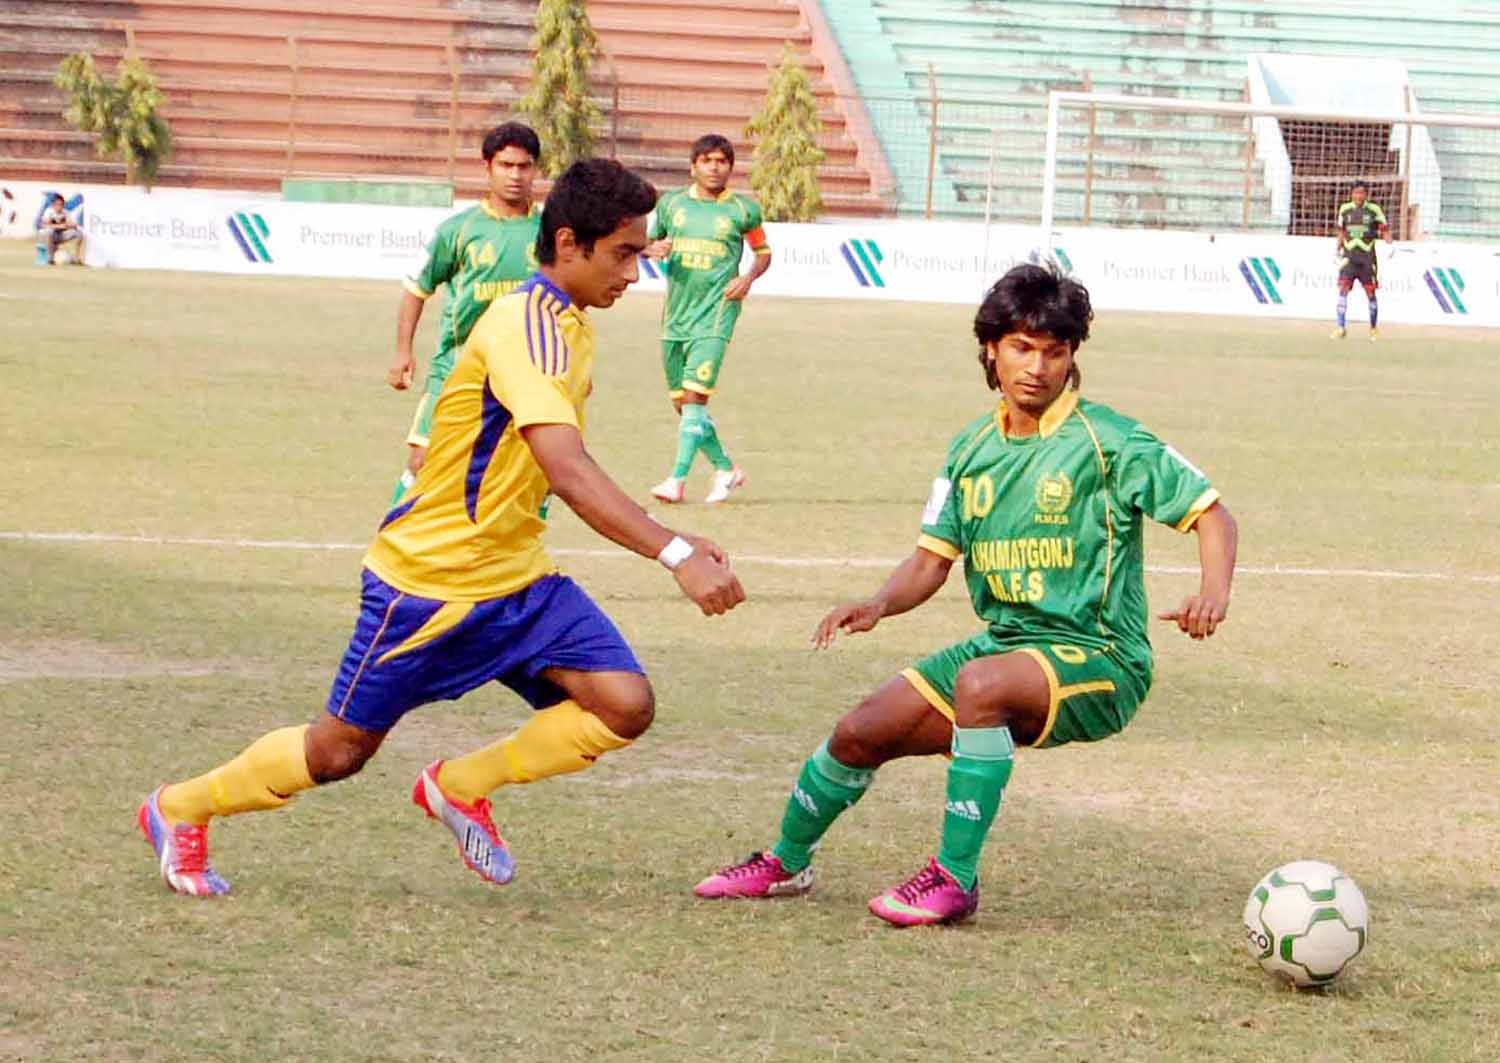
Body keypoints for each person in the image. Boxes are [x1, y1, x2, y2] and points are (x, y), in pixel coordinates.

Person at [140, 159, 746, 898]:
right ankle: (179, 806)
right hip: (429, 583)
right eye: (623, 253)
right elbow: (566, 467)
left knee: (623, 702)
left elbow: (554, 460)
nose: (636, 272)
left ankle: (458, 786)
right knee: (337, 752)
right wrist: (674, 548)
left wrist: (664, 534)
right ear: (569, 242)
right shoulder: (527, 328)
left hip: (516, 576)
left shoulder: (570, 322)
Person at [694, 263, 1238, 927]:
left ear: (1071, 356)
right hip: (1006, 647)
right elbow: (931, 560)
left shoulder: (1111, 441)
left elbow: (1213, 514)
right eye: (1021, 346)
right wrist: (878, 602)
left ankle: (954, 880)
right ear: (990, 347)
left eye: (1054, 351)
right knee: (860, 730)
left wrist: (1213, 593)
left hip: (1099, 658)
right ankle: (785, 862)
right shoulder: (970, 450)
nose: (1037, 366)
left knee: (980, 685)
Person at [388, 122, 543, 503]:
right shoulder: (458, 231)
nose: (515, 175)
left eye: (524, 166)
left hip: (527, 371)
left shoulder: (551, 232)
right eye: (506, 165)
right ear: (487, 167)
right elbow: (416, 289)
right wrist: (403, 351)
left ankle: (513, 559)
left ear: (535, 169)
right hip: (458, 368)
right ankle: (389, 543)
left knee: (536, 468)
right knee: (423, 459)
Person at [644, 134, 772, 505]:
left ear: (731, 167)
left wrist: (747, 277)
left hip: (717, 314)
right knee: (684, 405)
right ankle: (726, 469)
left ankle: (676, 480)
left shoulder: (743, 211)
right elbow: (649, 242)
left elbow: (763, 252)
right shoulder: (671, 206)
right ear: (693, 166)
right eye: (707, 161)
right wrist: (653, 248)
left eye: (721, 161)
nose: (714, 167)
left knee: (695, 398)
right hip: (676, 316)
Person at [1331, 180, 1392, 341]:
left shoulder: (1374, 210)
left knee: (1371, 293)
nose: (1359, 196)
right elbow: (1342, 232)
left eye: (1362, 193)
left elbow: (1385, 230)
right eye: (1356, 193)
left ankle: (1373, 328)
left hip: (1367, 259)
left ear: (1366, 195)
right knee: (1342, 290)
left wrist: (1390, 245)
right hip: (1349, 258)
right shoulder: (1344, 209)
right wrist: (1337, 249)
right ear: (1351, 194)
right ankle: (1340, 328)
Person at [39, 193, 85, 265]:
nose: (59, 207)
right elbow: (44, 225)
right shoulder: (49, 211)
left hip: (60, 235)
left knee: (79, 233)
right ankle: (51, 258)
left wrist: (72, 225)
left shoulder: (65, 212)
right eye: (57, 204)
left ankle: (77, 257)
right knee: (49, 231)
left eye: (61, 204)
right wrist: (60, 226)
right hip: (48, 236)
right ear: (53, 205)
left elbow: (70, 223)